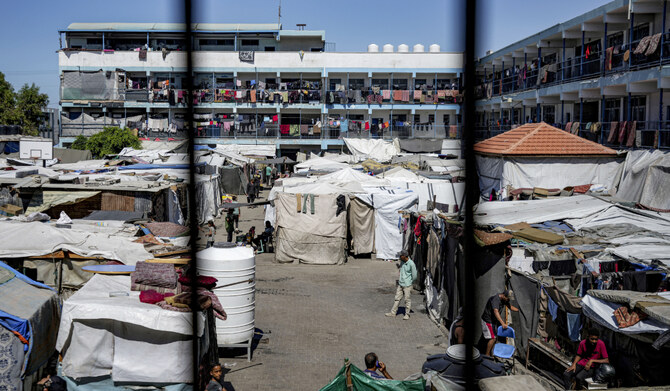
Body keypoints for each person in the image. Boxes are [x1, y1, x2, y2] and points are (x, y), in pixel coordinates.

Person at [481, 290, 518, 356]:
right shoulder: (495, 300)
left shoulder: (504, 300)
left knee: (494, 338)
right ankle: (487, 356)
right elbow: (496, 311)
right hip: (488, 320)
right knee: (493, 338)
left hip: (493, 321)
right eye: (508, 298)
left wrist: (519, 311)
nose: (508, 300)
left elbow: (510, 307)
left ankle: (490, 354)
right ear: (503, 295)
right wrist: (503, 323)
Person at [385, 250, 417, 320]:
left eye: (400, 255)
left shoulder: (411, 264)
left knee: (407, 300)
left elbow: (414, 275)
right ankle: (393, 313)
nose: (399, 257)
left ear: (404, 256)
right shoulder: (402, 262)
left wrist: (409, 282)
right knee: (397, 298)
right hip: (401, 284)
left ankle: (407, 314)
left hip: (407, 285)